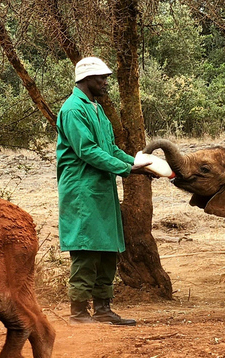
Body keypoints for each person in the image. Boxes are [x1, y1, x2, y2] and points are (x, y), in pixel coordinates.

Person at [55, 57, 150, 326]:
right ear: (85, 80)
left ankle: (103, 308)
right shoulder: (74, 109)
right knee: (86, 249)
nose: (105, 82)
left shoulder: (96, 109)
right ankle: (78, 313)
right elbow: (87, 151)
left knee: (107, 249)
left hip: (101, 190)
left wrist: (136, 162)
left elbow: (109, 149)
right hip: (82, 190)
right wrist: (127, 170)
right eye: (101, 78)